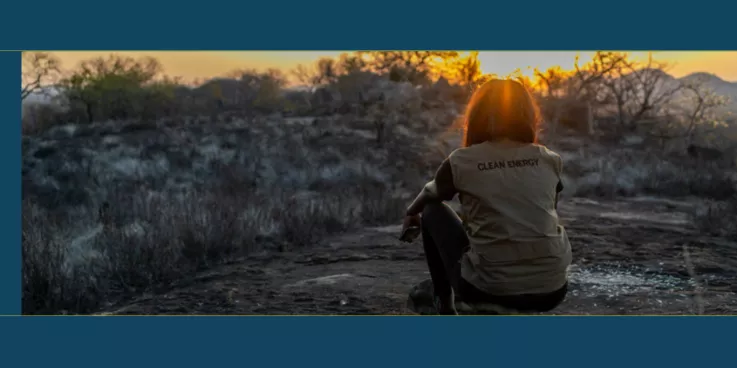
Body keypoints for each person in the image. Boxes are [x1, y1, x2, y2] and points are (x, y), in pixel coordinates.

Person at [402, 79, 572, 315]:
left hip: (488, 288)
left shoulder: (462, 160)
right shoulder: (549, 159)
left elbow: (431, 193)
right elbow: (547, 211)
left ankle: (445, 305)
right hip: (552, 291)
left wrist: (412, 212)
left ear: (477, 116)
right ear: (528, 115)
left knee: (431, 209)